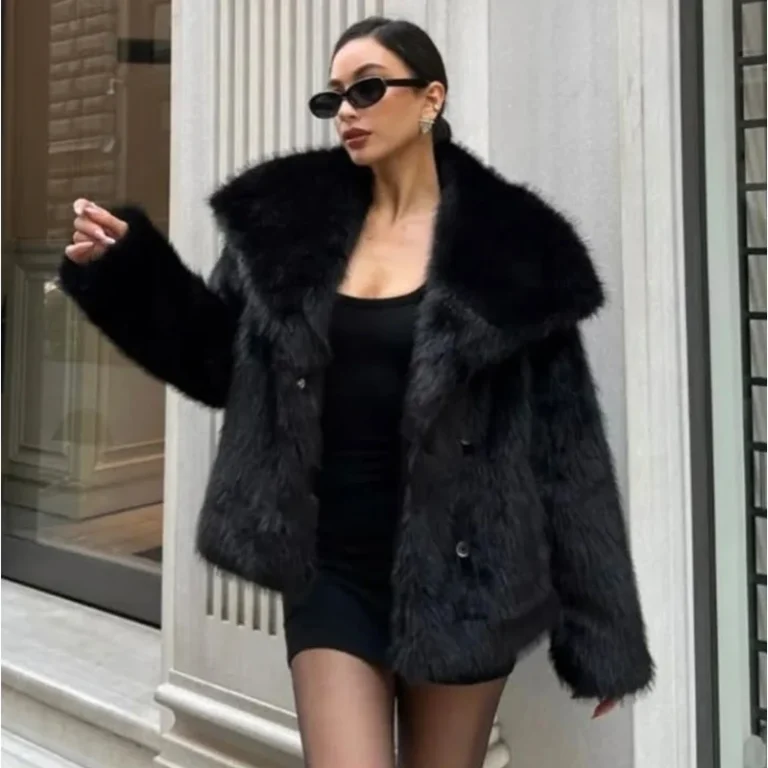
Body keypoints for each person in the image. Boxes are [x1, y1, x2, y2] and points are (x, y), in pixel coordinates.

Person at [61, 16, 653, 768]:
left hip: (468, 577)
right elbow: (217, 363)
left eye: (367, 89)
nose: (345, 111)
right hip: (331, 569)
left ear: (431, 98)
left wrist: (602, 630)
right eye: (333, 97)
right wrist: (128, 273)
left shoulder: (512, 250)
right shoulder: (288, 232)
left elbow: (569, 447)